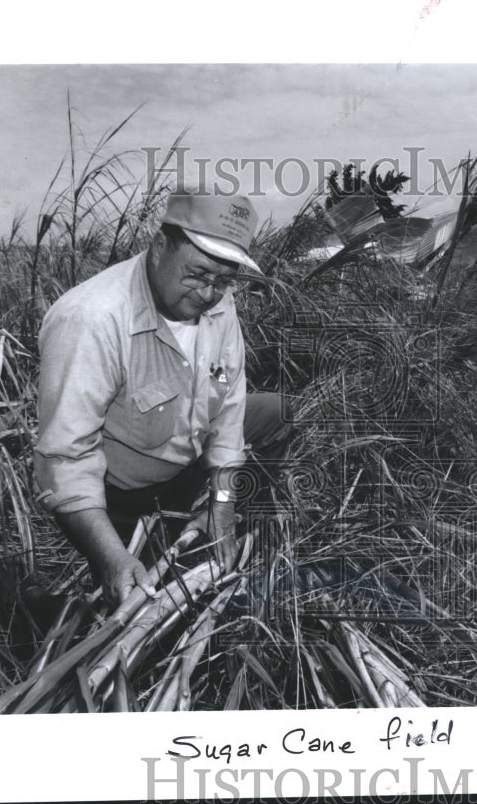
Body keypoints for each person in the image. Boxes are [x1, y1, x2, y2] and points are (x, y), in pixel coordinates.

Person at [34, 191, 291, 605]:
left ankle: (209, 520)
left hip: (186, 463)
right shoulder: (91, 320)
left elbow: (228, 416)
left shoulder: (219, 302)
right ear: (159, 248)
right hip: (120, 494)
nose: (209, 294)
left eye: (224, 280)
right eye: (198, 274)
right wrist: (112, 559)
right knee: (148, 607)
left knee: (274, 413)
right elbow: (64, 464)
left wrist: (221, 504)